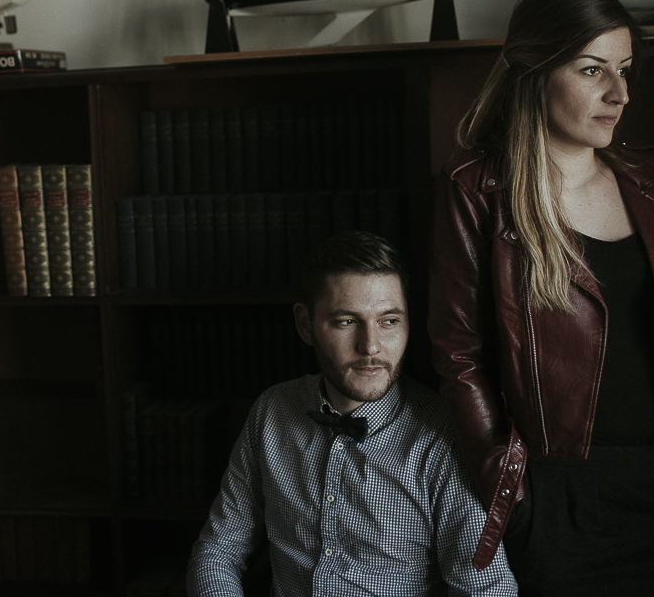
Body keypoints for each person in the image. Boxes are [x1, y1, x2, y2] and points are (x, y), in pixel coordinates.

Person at [428, 0, 654, 596]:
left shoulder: (649, 178)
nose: (619, 94)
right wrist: (511, 489)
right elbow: (459, 355)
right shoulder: (478, 190)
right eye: (593, 70)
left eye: (624, 70)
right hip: (559, 500)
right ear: (536, 71)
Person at [188, 231, 518, 597]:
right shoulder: (271, 411)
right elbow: (218, 551)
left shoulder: (444, 436)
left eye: (389, 321)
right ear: (305, 324)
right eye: (346, 321)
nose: (371, 346)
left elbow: (486, 589)